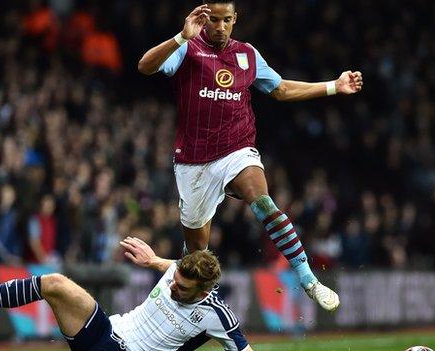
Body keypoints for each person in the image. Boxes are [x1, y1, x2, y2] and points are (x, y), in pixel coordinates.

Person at [138, 0, 363, 311]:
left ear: (235, 19)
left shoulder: (247, 54)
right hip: (194, 162)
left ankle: (308, 278)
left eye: (226, 20)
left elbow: (280, 89)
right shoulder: (187, 47)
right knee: (196, 255)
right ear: (203, 20)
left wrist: (333, 87)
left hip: (237, 149)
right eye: (213, 20)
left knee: (261, 199)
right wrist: (180, 36)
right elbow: (145, 66)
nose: (219, 27)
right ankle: (182, 309)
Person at [0, 237, 254, 351]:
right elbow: (169, 266)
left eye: (182, 288)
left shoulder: (219, 316)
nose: (173, 286)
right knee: (55, 283)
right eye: (175, 278)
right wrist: (153, 260)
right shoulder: (178, 272)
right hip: (107, 331)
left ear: (204, 290)